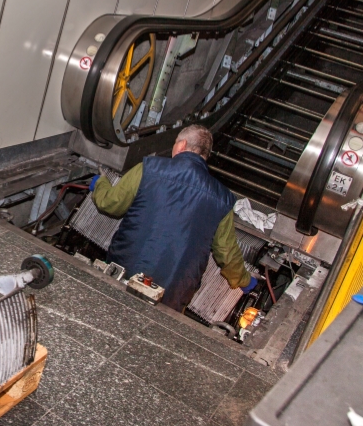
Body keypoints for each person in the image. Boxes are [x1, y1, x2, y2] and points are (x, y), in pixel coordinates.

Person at [89, 124, 256, 311]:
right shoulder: (222, 198)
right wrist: (244, 280)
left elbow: (111, 204)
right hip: (174, 292)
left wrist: (100, 185)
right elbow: (226, 251)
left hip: (125, 271)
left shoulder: (149, 168)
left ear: (182, 144)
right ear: (205, 154)